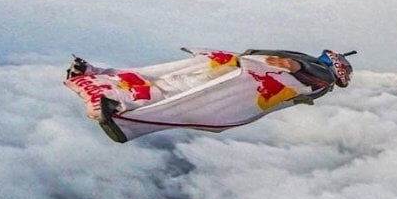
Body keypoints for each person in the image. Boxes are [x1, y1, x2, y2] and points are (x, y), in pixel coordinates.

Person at [64, 48, 354, 143]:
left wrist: (293, 65)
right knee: (187, 93)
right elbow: (308, 71)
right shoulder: (319, 77)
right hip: (246, 77)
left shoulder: (315, 71)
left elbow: (301, 68)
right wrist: (294, 66)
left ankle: (99, 79)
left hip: (237, 67)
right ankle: (119, 107)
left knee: (174, 79)